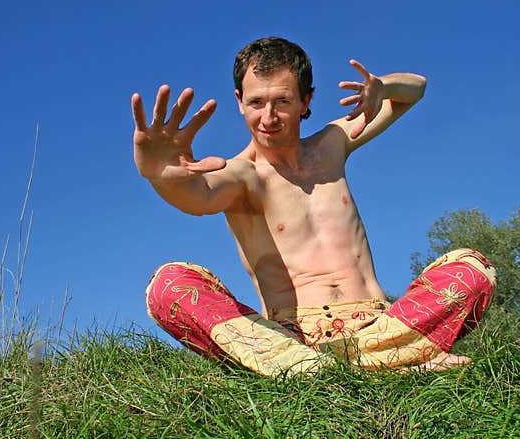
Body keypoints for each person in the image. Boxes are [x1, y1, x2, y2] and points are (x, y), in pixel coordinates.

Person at [131, 36, 496, 376]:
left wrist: (383, 87)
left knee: (473, 268)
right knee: (167, 285)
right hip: (291, 341)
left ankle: (347, 362)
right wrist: (158, 176)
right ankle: (381, 360)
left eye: (283, 102)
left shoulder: (332, 145)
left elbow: (416, 89)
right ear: (239, 100)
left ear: (306, 101)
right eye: (256, 102)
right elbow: (199, 197)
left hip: (378, 322)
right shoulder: (242, 175)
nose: (268, 118)